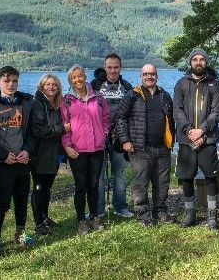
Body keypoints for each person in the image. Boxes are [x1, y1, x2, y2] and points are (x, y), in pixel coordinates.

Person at [114, 64, 175, 226]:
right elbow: (120, 118)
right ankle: (143, 215)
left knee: (162, 182)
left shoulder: (165, 95)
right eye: (146, 74)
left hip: (162, 146)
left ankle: (160, 211)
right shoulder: (132, 95)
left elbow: (172, 119)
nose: (149, 77)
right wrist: (125, 140)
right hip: (140, 147)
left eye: (152, 74)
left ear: (157, 76)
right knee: (141, 182)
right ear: (141, 76)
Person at [0, 66, 36, 252]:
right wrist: (2, 155)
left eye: (14, 81)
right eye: (7, 81)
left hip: (22, 160)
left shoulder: (25, 103)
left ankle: (20, 232)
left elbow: (31, 133)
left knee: (22, 199)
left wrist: (27, 151)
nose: (11, 84)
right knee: (2, 202)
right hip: (2, 163)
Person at [173, 48, 219, 229]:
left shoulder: (215, 85)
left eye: (202, 59)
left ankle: (212, 215)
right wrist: (189, 131)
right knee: (187, 177)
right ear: (190, 62)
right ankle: (190, 214)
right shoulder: (181, 84)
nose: (199, 62)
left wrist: (201, 131)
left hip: (207, 139)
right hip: (186, 140)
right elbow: (177, 111)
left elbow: (216, 112)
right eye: (195, 59)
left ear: (206, 62)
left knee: (211, 176)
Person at [62, 65, 111, 235]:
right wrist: (67, 146)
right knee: (81, 185)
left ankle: (94, 217)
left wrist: (103, 134)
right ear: (70, 80)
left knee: (94, 184)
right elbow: (64, 126)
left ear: (85, 76)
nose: (77, 80)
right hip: (77, 150)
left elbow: (106, 118)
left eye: (80, 76)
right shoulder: (67, 100)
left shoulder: (98, 97)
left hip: (97, 148)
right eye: (73, 78)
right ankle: (81, 220)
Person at [91, 53, 134, 218]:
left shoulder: (127, 87)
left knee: (119, 175)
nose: (113, 70)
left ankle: (120, 207)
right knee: (99, 175)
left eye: (116, 67)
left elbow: (131, 113)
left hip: (119, 137)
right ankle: (99, 209)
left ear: (120, 68)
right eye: (109, 67)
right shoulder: (94, 86)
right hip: (99, 137)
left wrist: (127, 137)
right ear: (105, 68)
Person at [31, 74, 68, 235]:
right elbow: (40, 131)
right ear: (41, 86)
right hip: (40, 153)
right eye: (48, 84)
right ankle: (38, 223)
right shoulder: (37, 104)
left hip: (54, 153)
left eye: (54, 84)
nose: (51, 87)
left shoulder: (57, 104)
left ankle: (45, 218)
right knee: (39, 188)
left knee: (47, 188)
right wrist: (62, 129)